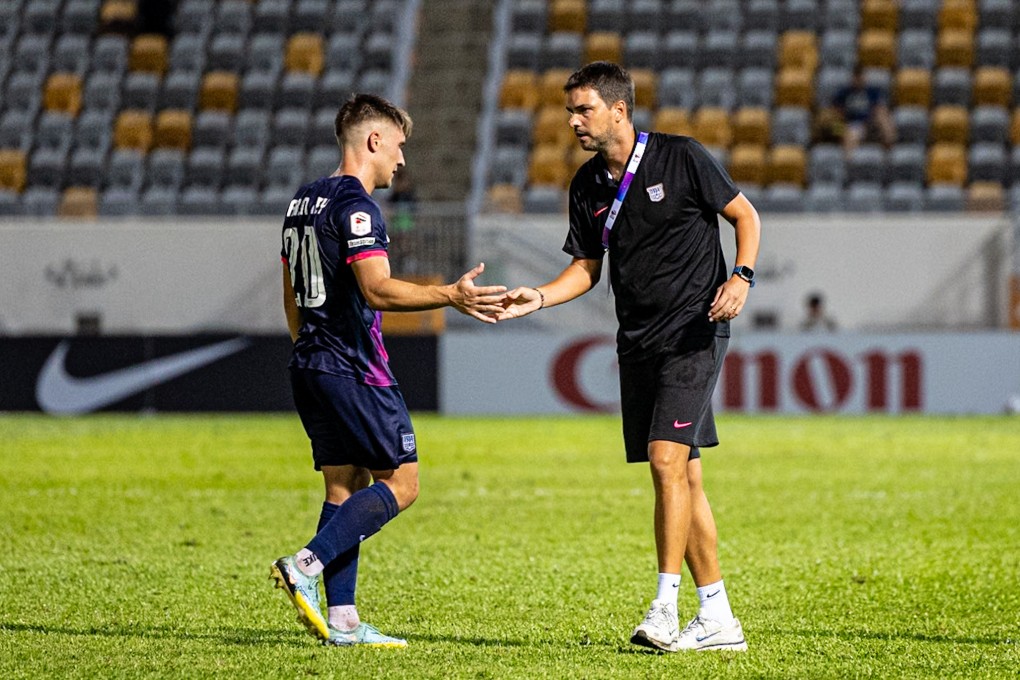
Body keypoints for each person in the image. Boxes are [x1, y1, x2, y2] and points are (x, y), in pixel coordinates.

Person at [497, 62, 761, 653]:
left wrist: (741, 276)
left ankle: (664, 610)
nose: (572, 121)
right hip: (637, 340)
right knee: (683, 475)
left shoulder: (682, 156)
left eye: (583, 109)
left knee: (666, 460)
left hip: (696, 332)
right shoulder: (587, 185)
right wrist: (538, 296)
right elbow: (587, 270)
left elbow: (745, 215)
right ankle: (718, 617)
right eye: (570, 110)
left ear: (619, 110)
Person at [271, 93, 506, 647]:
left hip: (309, 361)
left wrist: (309, 348)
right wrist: (449, 294)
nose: (401, 161)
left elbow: (290, 294)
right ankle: (305, 562)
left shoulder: (301, 202)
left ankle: (346, 621)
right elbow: (376, 290)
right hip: (353, 367)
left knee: (342, 485)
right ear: (373, 141)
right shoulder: (356, 206)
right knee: (402, 482)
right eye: (398, 147)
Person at [829, 65, 896, 153]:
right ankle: (849, 162)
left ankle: (890, 147)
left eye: (860, 77)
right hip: (850, 125)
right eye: (856, 78)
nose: (858, 80)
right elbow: (835, 112)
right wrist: (841, 129)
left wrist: (874, 118)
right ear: (852, 78)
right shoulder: (844, 93)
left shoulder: (872, 92)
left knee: (882, 115)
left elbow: (880, 108)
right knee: (848, 131)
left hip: (869, 124)